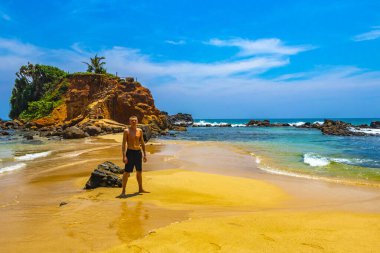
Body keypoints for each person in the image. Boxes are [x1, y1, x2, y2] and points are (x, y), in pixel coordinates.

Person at [119, 116, 148, 197]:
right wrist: (124, 156)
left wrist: (144, 155)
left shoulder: (140, 131)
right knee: (126, 172)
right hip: (130, 153)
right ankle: (123, 191)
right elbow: (123, 144)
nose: (134, 122)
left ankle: (140, 189)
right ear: (129, 122)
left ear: (137, 121)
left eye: (135, 120)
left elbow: (142, 143)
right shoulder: (126, 131)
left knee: (139, 171)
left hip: (138, 153)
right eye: (132, 121)